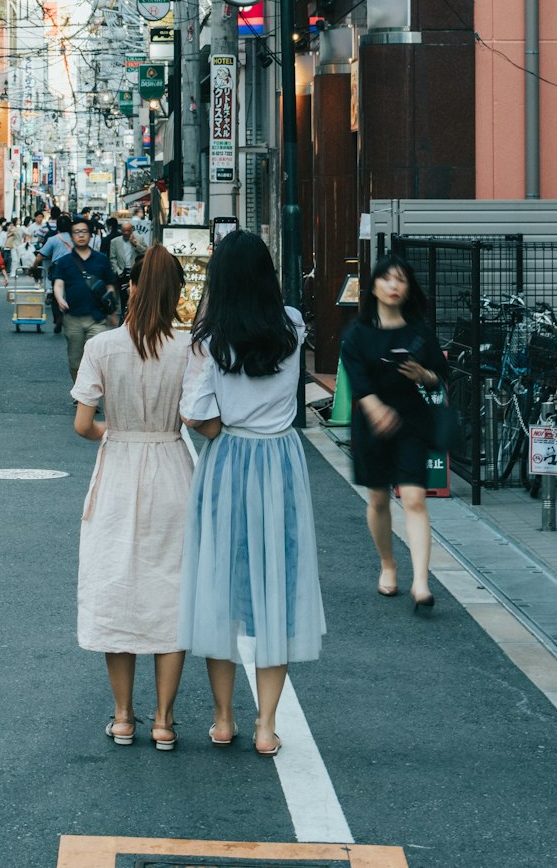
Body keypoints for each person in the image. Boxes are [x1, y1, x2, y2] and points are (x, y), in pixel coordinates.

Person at [179, 231, 325, 757]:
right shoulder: (291, 323)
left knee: (220, 587)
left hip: (229, 463)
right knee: (278, 594)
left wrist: (223, 432)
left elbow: (194, 412)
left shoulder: (210, 338)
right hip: (281, 462)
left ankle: (223, 719)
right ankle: (267, 725)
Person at [72, 245, 191, 751]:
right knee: (171, 593)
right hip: (173, 468)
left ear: (132, 288)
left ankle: (123, 717)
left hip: (119, 467)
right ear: (177, 296)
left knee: (116, 585)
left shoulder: (102, 347)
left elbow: (83, 424)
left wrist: (115, 432)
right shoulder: (190, 349)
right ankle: (164, 721)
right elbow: (195, 419)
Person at [339, 253, 449, 612]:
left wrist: (424, 376)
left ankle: (421, 581)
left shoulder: (419, 332)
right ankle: (388, 564)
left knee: (415, 498)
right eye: (387, 279)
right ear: (374, 286)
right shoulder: (357, 334)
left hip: (412, 422)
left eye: (401, 280)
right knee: (379, 499)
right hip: (372, 425)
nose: (394, 285)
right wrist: (376, 408)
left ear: (408, 288)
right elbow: (357, 381)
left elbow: (440, 376)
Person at [50, 216, 117, 385]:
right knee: (75, 360)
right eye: (77, 232)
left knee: (97, 358)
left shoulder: (101, 259)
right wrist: (59, 298)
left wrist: (112, 310)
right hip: (73, 318)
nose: (81, 235)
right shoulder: (64, 262)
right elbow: (58, 284)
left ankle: (90, 394)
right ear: (71, 236)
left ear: (90, 235)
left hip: (98, 318)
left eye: (84, 232)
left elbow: (110, 286)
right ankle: (80, 390)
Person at [37, 213, 72, 333]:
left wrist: (33, 266)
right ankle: (71, 318)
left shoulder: (53, 239)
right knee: (72, 293)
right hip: (73, 268)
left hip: (58, 268)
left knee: (57, 293)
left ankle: (58, 317)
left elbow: (41, 255)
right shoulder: (76, 238)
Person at [109, 218, 147, 316]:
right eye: (124, 231)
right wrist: (117, 270)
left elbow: (146, 253)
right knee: (122, 296)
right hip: (122, 271)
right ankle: (123, 315)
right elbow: (112, 258)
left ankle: (134, 313)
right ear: (121, 231)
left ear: (132, 230)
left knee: (136, 294)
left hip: (135, 270)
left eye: (128, 231)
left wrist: (136, 245)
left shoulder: (139, 239)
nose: (126, 233)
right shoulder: (115, 242)